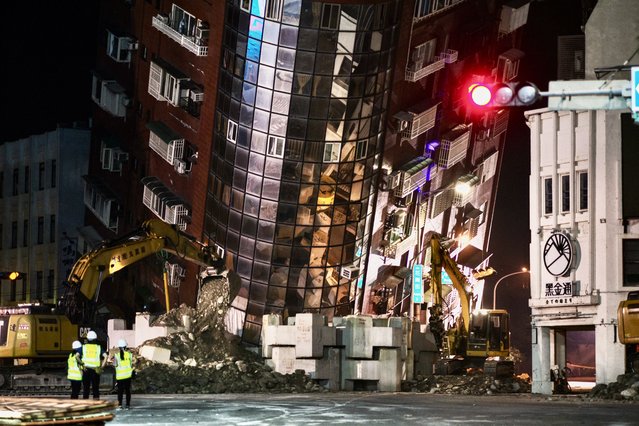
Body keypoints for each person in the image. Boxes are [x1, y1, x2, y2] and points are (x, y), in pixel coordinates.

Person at [109, 339, 135, 410]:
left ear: (119, 347)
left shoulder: (116, 356)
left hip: (120, 377)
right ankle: (127, 405)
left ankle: (120, 405)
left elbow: (114, 365)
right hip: (128, 376)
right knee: (127, 391)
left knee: (120, 392)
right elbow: (130, 365)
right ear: (125, 347)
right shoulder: (129, 355)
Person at [81, 330, 107, 399]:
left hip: (86, 370)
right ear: (95, 339)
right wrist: (102, 367)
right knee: (95, 389)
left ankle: (85, 405)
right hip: (95, 370)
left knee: (86, 389)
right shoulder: (98, 347)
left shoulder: (84, 347)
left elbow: (77, 357)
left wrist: (81, 366)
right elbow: (106, 356)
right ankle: (96, 405)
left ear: (88, 339)